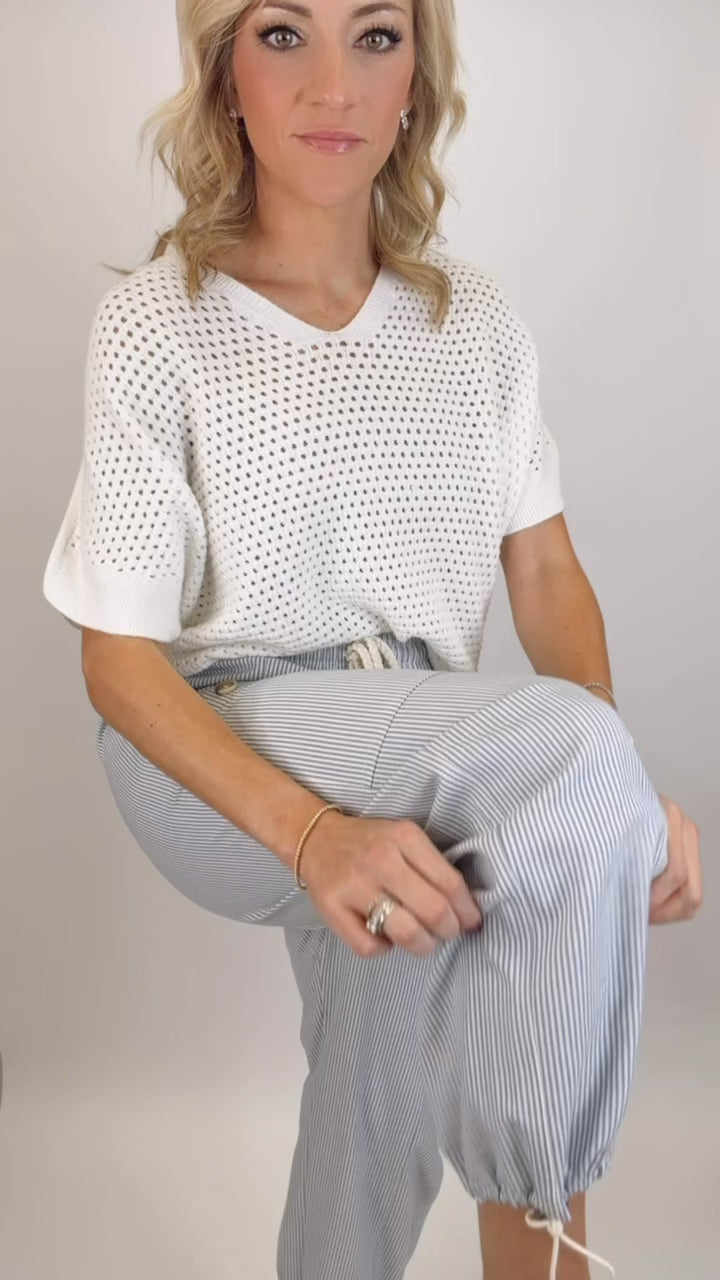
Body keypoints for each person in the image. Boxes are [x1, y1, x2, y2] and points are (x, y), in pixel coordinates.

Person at [42, 1, 702, 1277]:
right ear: (225, 74)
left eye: (378, 35)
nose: (334, 84)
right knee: (567, 779)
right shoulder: (161, 321)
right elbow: (115, 659)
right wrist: (317, 833)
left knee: (374, 1093)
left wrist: (601, 791)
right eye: (284, 33)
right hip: (211, 741)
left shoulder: (477, 321)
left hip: (424, 752)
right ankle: (551, 1254)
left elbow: (546, 571)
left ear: (418, 79)